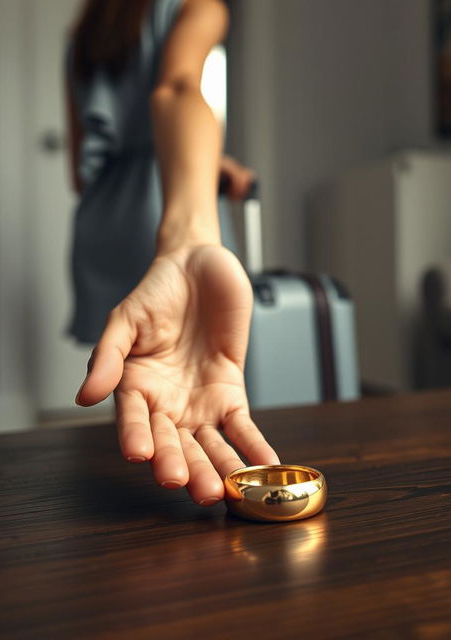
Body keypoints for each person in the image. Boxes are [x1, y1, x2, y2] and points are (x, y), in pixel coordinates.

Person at [66, 0, 279, 507]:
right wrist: (189, 236)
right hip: (164, 199)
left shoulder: (85, 32)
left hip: (102, 217)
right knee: (198, 375)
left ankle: (125, 502)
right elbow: (178, 88)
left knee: (134, 378)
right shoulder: (199, 7)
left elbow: (79, 169)